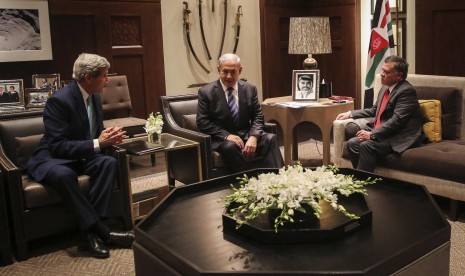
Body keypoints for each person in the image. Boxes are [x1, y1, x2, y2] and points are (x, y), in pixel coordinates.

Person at [26, 53, 134, 259]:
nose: (107, 80)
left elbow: (96, 133)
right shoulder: (59, 101)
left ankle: (88, 235)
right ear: (88, 77)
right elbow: (57, 146)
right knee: (63, 175)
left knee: (108, 163)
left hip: (80, 154)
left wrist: (108, 139)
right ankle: (102, 231)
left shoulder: (94, 96)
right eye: (104, 75)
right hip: (52, 158)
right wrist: (98, 143)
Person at [197, 53, 284, 173]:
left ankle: (279, 178)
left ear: (240, 70)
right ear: (218, 70)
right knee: (230, 147)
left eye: (233, 72)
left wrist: (253, 137)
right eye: (225, 71)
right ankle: (247, 182)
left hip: (246, 134)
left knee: (271, 138)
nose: (229, 76)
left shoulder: (250, 89)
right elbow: (202, 122)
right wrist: (227, 135)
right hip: (222, 139)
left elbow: (258, 116)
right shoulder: (206, 92)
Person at [335, 55, 423, 173]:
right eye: (382, 70)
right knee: (352, 144)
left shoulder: (406, 91)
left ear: (399, 76)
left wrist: (372, 134)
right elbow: (374, 110)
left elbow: (397, 121)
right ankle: (360, 179)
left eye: (386, 72)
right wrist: (351, 113)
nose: (381, 74)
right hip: (385, 132)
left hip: (400, 135)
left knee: (367, 145)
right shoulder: (385, 88)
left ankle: (366, 186)